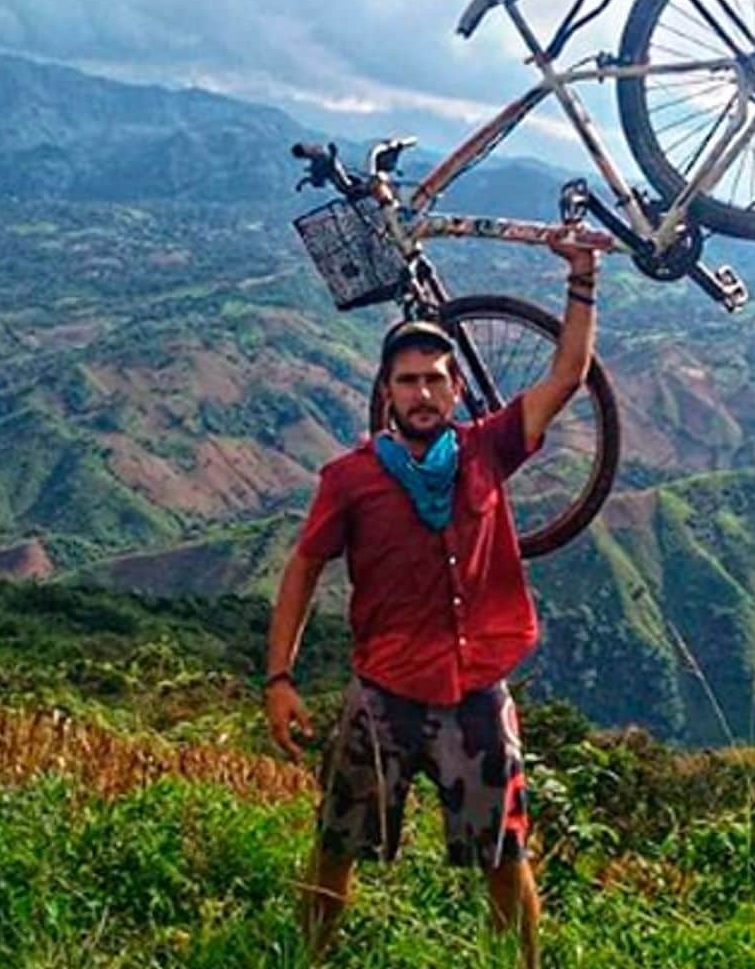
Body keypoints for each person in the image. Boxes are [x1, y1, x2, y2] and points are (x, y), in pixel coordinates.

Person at [262, 238, 599, 967]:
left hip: (476, 693)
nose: (422, 393)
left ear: (454, 391)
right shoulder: (349, 478)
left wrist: (582, 277)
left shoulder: (488, 450)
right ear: (387, 391)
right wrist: (279, 679)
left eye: (436, 380)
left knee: (504, 858)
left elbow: (568, 375)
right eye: (408, 381)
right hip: (383, 692)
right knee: (336, 845)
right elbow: (303, 569)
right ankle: (309, 960)